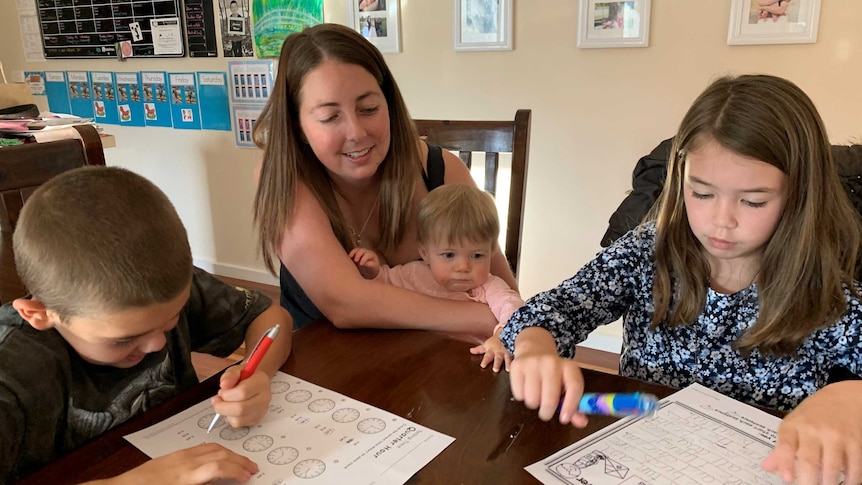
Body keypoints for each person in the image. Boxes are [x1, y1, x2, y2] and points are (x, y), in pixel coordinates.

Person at [501, 74, 862, 485]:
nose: (721, 220)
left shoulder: (823, 286)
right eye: (702, 193)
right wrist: (535, 348)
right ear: (680, 177)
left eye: (753, 200)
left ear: (799, 194)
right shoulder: (649, 252)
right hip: (644, 456)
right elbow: (555, 308)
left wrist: (849, 396)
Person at [0, 166, 293, 483]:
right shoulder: (13, 369)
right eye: (123, 339)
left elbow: (271, 317)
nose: (158, 344)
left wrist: (257, 372)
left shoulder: (158, 288)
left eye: (172, 320)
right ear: (40, 313)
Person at [252, 23, 516, 334]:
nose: (356, 133)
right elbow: (346, 304)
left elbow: (502, 286)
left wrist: (514, 320)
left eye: (368, 108)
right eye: (330, 117)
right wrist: (499, 320)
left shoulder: (441, 172)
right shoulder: (283, 179)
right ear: (298, 128)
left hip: (438, 364)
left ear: (389, 104)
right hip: (324, 370)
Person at [350, 185, 523, 371]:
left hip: (474, 365)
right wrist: (371, 271)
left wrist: (501, 338)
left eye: (477, 256)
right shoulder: (414, 274)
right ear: (425, 253)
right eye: (449, 255)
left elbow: (516, 311)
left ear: (491, 252)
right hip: (422, 364)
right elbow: (383, 284)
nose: (463, 267)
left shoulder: (490, 287)